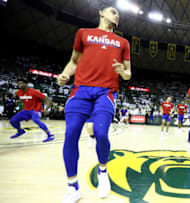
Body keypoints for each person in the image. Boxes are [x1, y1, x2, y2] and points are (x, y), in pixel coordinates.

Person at [57, 4, 131, 202]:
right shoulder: (83, 33)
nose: (117, 16)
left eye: (118, 14)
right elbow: (74, 61)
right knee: (71, 134)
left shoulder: (123, 42)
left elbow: (128, 74)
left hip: (106, 92)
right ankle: (73, 187)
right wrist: (65, 74)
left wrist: (122, 72)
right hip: (80, 89)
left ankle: (103, 171)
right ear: (101, 13)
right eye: (114, 11)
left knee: (101, 133)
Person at [9, 78, 54, 142]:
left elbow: (48, 99)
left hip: (36, 110)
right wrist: (18, 101)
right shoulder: (18, 92)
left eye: (21, 83)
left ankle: (50, 135)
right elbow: (24, 98)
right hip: (25, 111)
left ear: (26, 84)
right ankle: (20, 131)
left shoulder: (34, 91)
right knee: (12, 120)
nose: (20, 85)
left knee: (36, 120)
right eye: (18, 84)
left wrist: (47, 109)